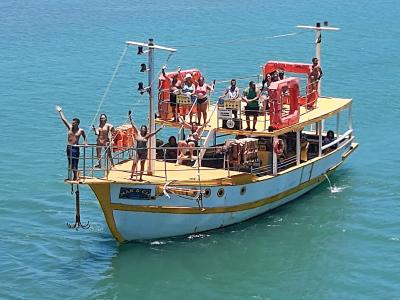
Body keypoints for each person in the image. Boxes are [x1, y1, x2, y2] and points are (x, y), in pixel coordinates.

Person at [128, 112, 163, 181]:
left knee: (142, 164)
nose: (143, 130)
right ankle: (131, 175)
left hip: (144, 152)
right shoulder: (137, 133)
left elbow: (154, 133)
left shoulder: (147, 136)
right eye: (142, 128)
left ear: (145, 130)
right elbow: (133, 125)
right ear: (140, 129)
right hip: (138, 151)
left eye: (144, 129)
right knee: (134, 163)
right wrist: (130, 117)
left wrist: (160, 128)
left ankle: (140, 177)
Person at [56, 105, 87, 180]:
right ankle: (73, 175)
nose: (72, 124)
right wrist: (60, 111)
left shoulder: (81, 130)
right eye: (72, 123)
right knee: (70, 162)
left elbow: (84, 136)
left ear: (77, 123)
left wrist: (85, 142)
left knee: (75, 163)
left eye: (73, 123)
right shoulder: (69, 127)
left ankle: (75, 176)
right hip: (69, 147)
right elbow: (64, 119)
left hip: (75, 148)